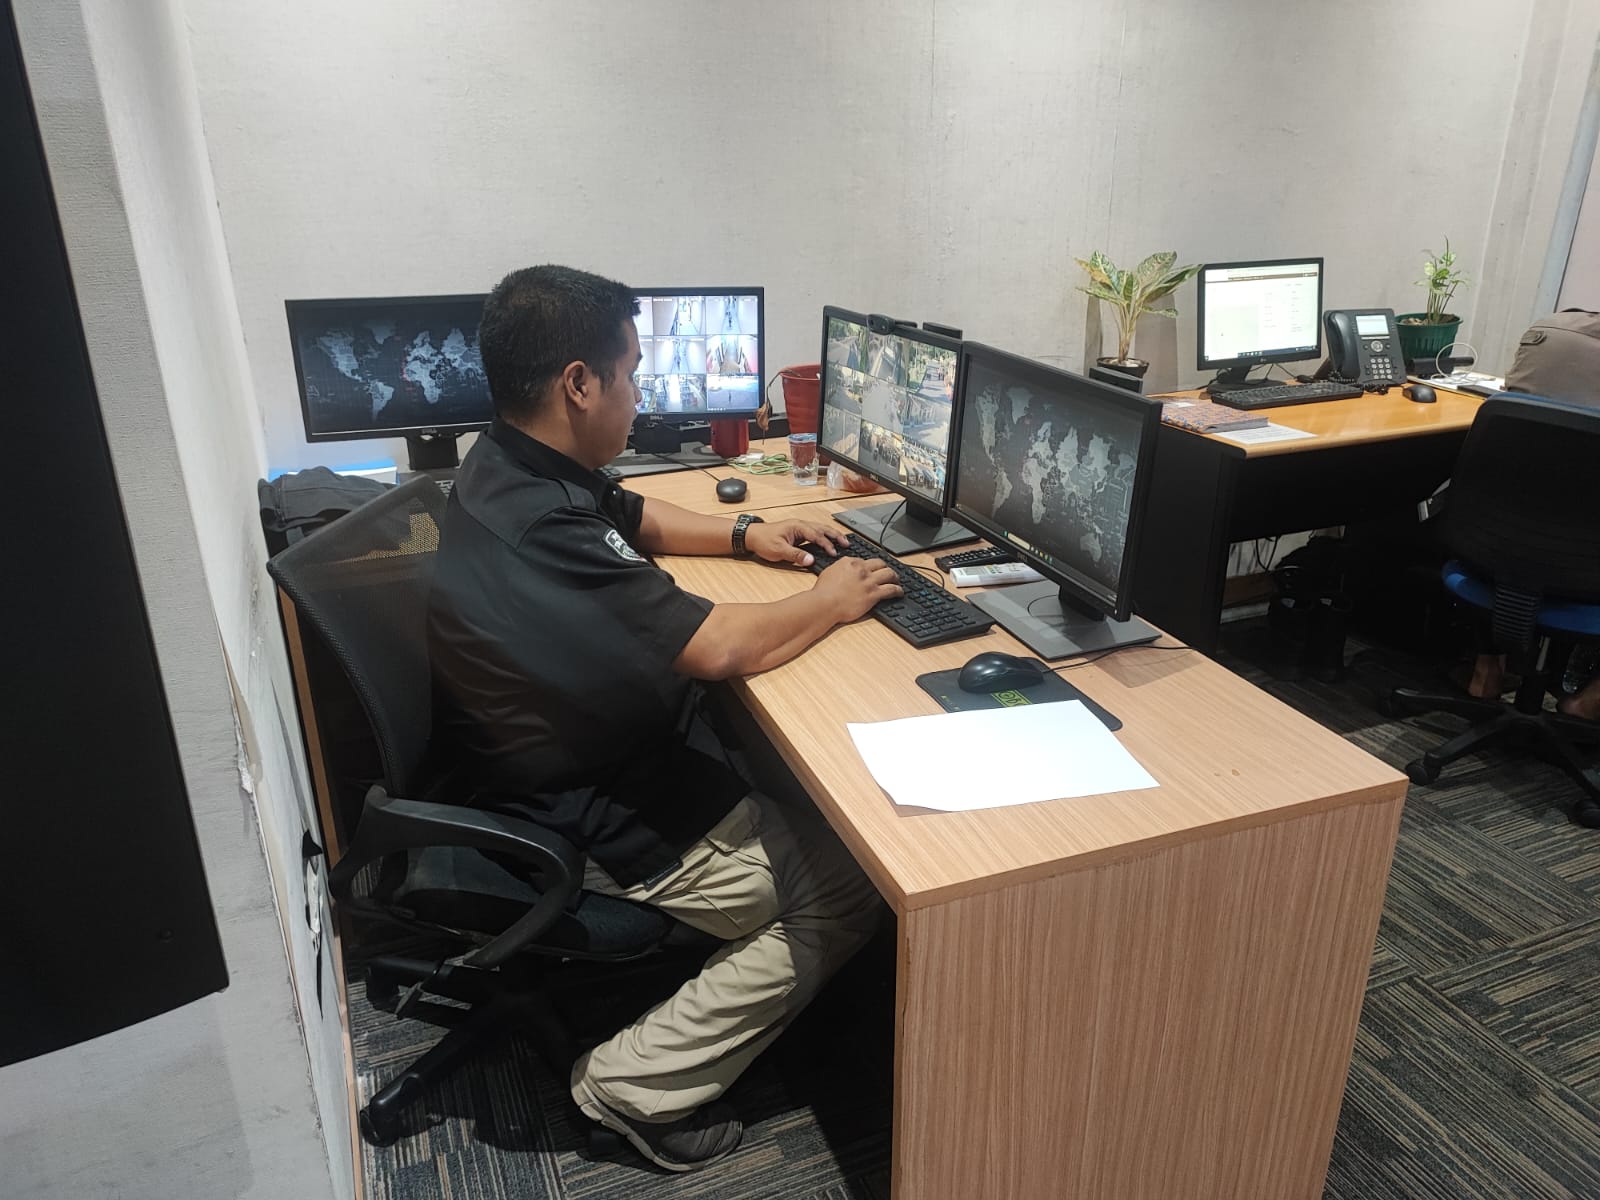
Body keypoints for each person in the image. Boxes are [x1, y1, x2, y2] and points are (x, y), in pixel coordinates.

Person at [427, 264, 899, 1172]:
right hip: (598, 813)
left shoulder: (509, 461)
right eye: (633, 373)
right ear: (579, 384)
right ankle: (632, 1086)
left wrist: (745, 534)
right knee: (852, 883)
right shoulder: (543, 526)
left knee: (792, 759)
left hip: (572, 752)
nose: (640, 395)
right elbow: (720, 650)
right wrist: (833, 599)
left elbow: (631, 512)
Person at [1461, 310, 1600, 717]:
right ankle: (1589, 702)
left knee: (1518, 512)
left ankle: (1486, 671)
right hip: (1586, 571)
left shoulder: (1552, 332)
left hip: (1490, 553)